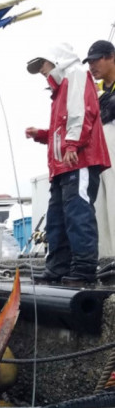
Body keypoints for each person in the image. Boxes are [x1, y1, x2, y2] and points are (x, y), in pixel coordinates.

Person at [25, 43, 110, 286]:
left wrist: (72, 144)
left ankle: (83, 268)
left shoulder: (75, 76)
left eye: (43, 63)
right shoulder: (62, 88)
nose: (41, 69)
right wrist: (42, 134)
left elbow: (83, 112)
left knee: (77, 214)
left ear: (56, 60)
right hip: (64, 165)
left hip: (78, 160)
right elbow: (66, 123)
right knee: (58, 218)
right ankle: (58, 267)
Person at [84, 40, 115, 256]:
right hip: (100, 153)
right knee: (100, 209)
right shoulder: (96, 92)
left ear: (111, 56)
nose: (92, 66)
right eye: (90, 62)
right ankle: (107, 259)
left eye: (96, 60)